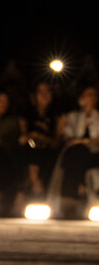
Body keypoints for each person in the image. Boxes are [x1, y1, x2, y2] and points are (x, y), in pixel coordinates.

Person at [49, 85, 99, 214]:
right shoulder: (73, 116)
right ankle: (75, 191)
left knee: (80, 151)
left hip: (95, 153)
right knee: (78, 152)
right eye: (87, 94)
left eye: (93, 95)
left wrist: (84, 141)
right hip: (76, 152)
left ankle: (78, 189)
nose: (90, 98)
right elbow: (69, 137)